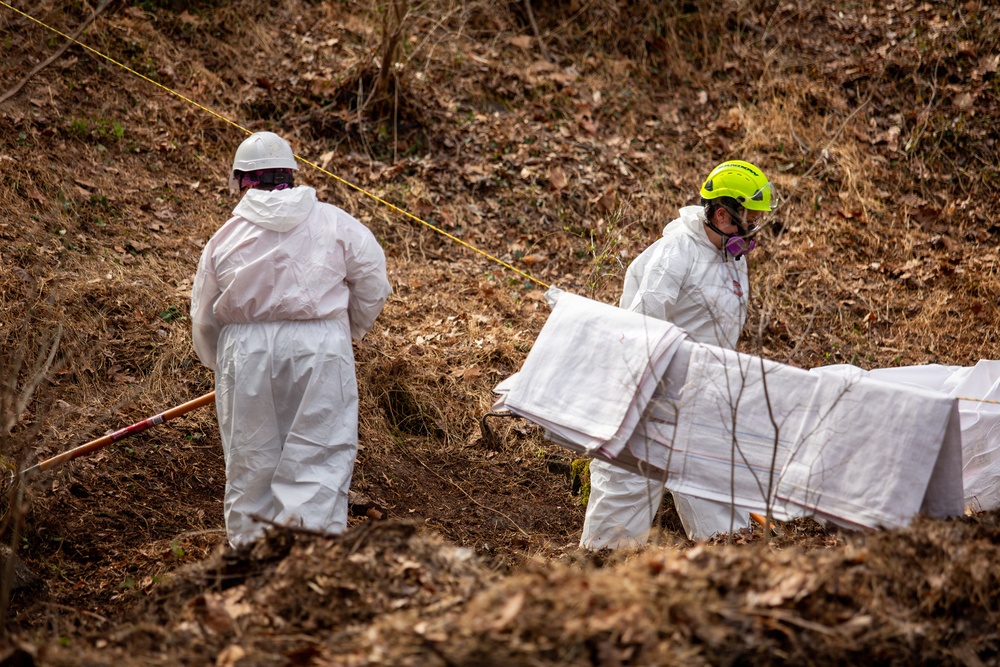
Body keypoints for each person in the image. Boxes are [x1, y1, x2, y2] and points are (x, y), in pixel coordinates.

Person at [191, 131, 391, 547]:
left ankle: (251, 561)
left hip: (246, 352)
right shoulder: (336, 221)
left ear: (241, 181)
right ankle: (310, 563)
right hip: (321, 349)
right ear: (292, 174)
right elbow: (373, 281)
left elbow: (203, 314)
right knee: (319, 452)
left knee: (251, 458)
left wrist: (218, 364)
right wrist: (347, 330)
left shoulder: (224, 238)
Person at [580, 159, 777, 548]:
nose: (755, 228)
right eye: (749, 218)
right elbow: (640, 326)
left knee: (719, 508)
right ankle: (601, 579)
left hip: (702, 400)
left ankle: (724, 583)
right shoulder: (676, 253)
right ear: (722, 214)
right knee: (622, 507)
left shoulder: (731, 258)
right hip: (648, 399)